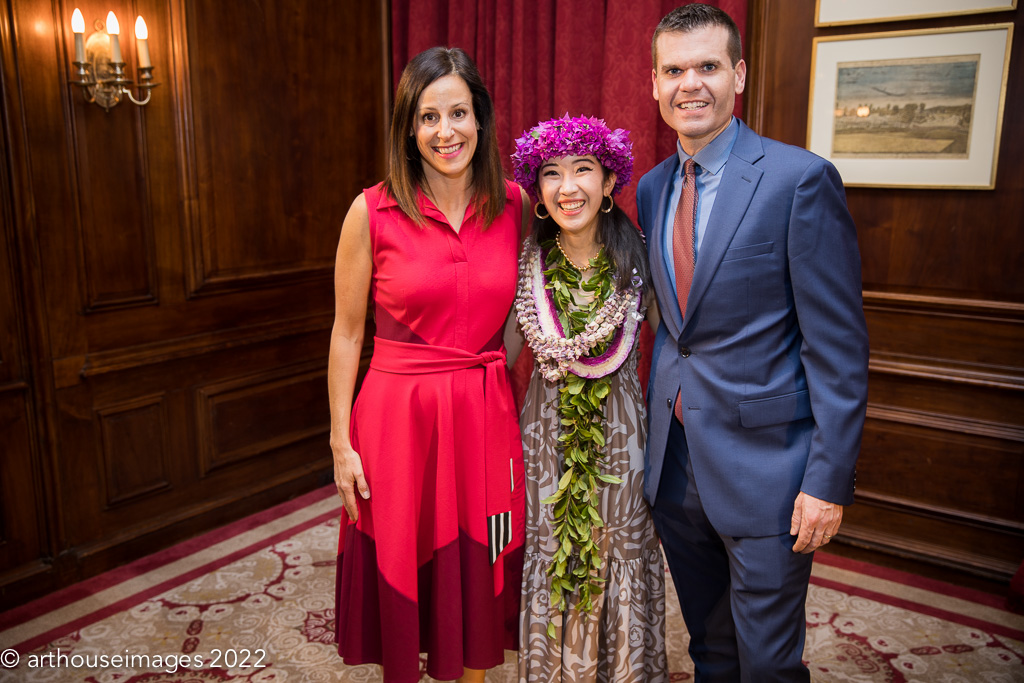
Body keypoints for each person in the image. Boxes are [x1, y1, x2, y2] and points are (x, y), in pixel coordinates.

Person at [637, 5, 869, 682]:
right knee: (710, 650)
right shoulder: (652, 189)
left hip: (771, 473)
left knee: (767, 662)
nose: (691, 84)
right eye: (674, 69)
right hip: (675, 468)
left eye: (707, 66)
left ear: (738, 74)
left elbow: (838, 349)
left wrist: (826, 482)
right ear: (654, 84)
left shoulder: (798, 180)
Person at [328, 47, 528, 683]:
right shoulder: (371, 212)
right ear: (408, 130)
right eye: (428, 117)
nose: (447, 132)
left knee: (481, 563)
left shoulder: (519, 206)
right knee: (405, 571)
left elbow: (524, 319)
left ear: (481, 119)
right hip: (397, 424)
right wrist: (339, 440)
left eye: (459, 113)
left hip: (483, 417)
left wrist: (501, 387)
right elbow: (346, 332)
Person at [509, 114, 667, 682]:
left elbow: (675, 348)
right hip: (546, 441)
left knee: (618, 556)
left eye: (583, 170)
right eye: (551, 174)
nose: (567, 186)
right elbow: (497, 359)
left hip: (624, 442)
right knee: (557, 556)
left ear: (607, 184)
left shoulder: (640, 259)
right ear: (539, 193)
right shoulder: (524, 265)